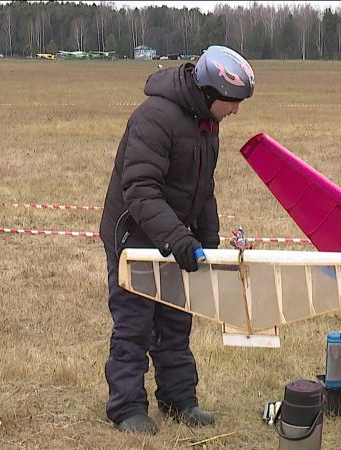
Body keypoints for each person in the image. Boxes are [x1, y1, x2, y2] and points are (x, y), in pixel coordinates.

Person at [99, 45, 255, 434]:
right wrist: (176, 240)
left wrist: (207, 240)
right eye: (232, 102)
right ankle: (127, 407)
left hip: (170, 236)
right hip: (132, 236)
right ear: (208, 92)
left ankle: (179, 398)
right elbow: (140, 190)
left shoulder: (207, 126)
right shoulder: (155, 118)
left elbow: (203, 189)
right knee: (135, 324)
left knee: (175, 321)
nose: (235, 111)